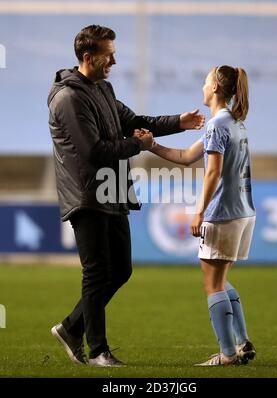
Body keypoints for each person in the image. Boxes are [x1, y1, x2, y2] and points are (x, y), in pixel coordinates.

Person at [47, 24, 205, 367]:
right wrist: (140, 145)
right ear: (89, 57)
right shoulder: (69, 98)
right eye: (109, 55)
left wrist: (180, 121)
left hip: (112, 191)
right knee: (97, 273)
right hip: (87, 196)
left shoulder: (102, 88)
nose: (114, 61)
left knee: (120, 269)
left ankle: (72, 328)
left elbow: (135, 121)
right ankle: (97, 351)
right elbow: (94, 151)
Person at [149, 65, 256, 366]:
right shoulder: (233, 123)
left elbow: (213, 172)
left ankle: (227, 354)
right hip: (242, 213)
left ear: (216, 88)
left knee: (213, 285)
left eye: (205, 82)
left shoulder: (217, 125)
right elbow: (185, 157)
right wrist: (151, 145)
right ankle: (241, 342)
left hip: (222, 213)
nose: (202, 86)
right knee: (221, 279)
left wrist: (198, 212)